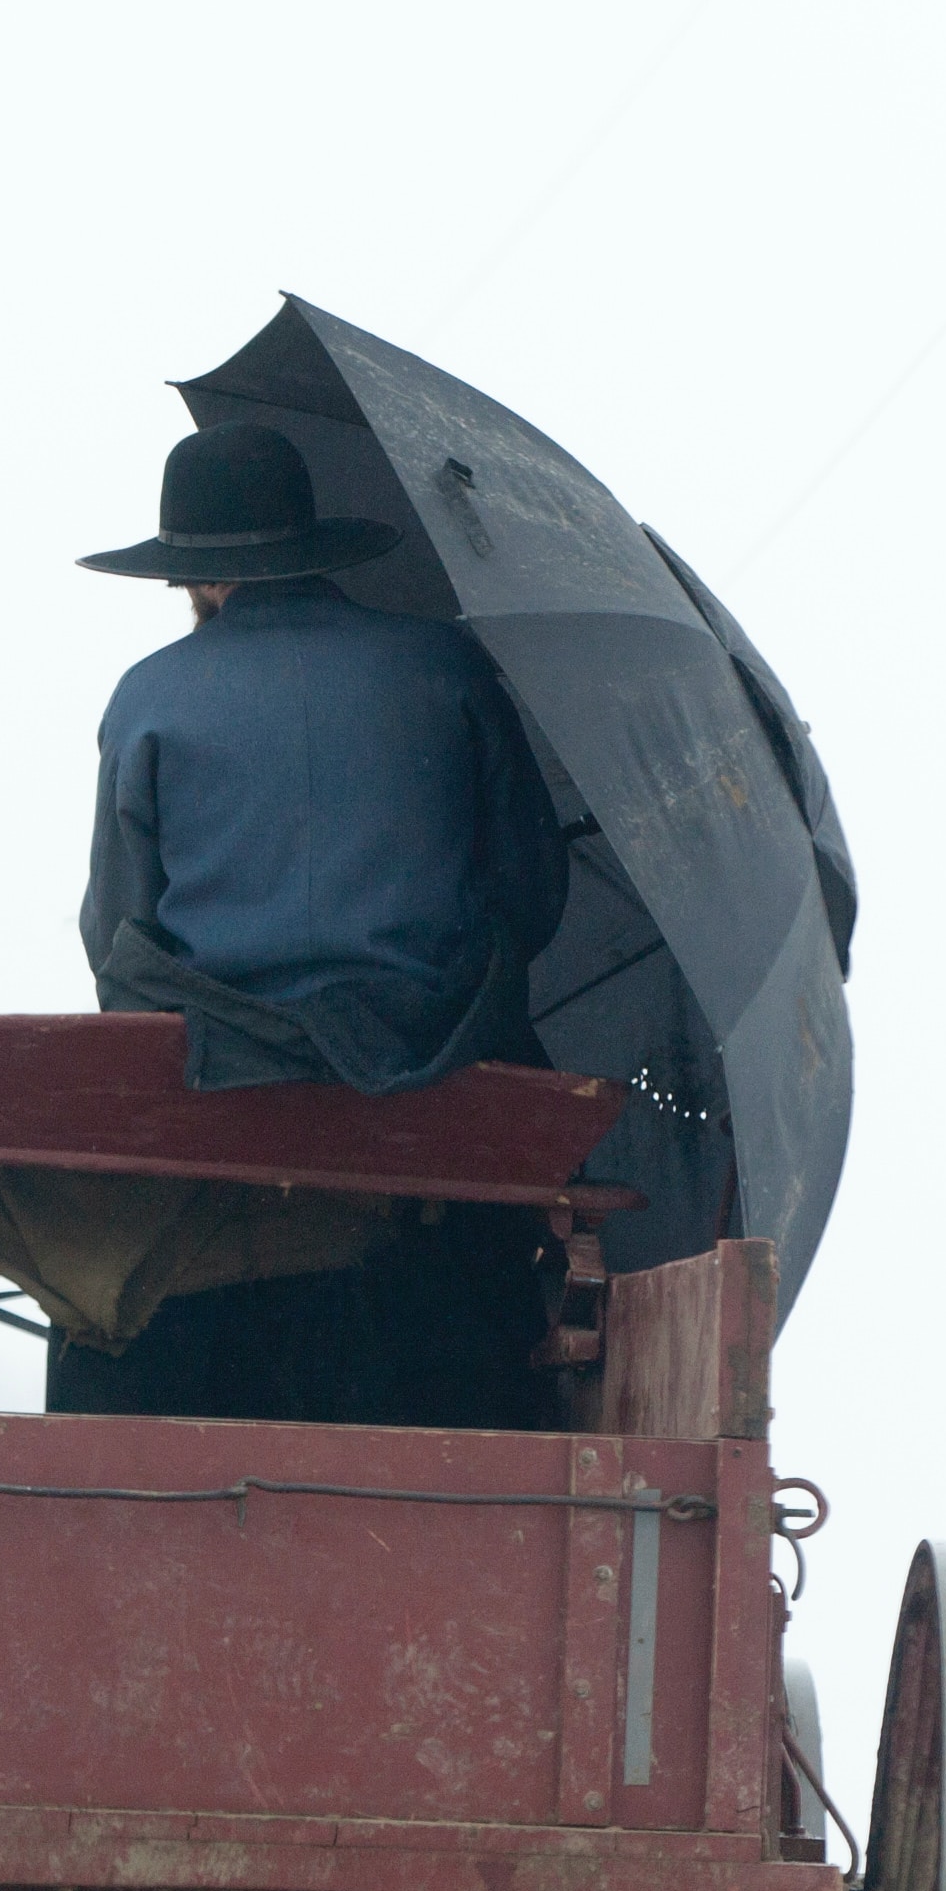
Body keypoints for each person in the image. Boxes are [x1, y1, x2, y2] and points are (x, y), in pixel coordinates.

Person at [54, 421, 564, 1429]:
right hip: (441, 1074)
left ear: (198, 580)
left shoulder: (148, 698)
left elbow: (119, 935)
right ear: (310, 546)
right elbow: (533, 894)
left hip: (220, 1083)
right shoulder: (447, 667)